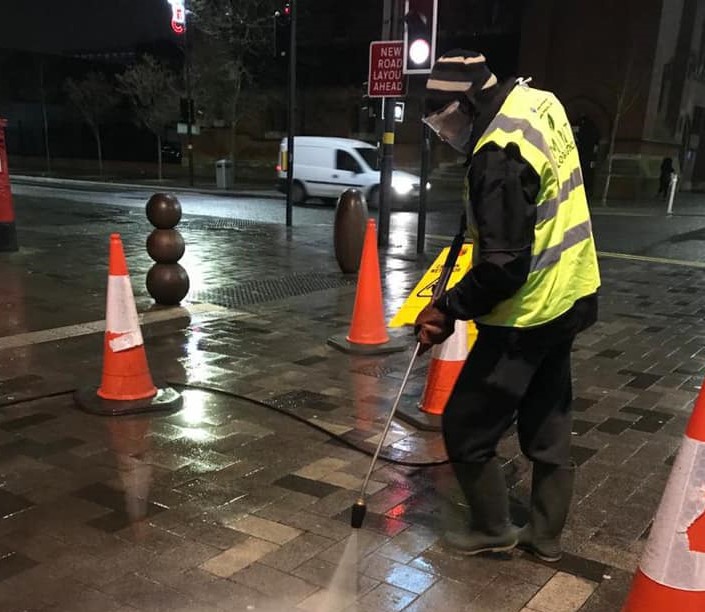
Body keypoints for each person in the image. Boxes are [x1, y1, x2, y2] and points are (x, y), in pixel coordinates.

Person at [414, 50, 601, 562]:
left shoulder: (497, 154)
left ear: (470, 103)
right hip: (571, 294)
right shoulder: (538, 102)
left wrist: (448, 308)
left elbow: (503, 268)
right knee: (547, 419)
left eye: (445, 118)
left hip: (527, 312)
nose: (445, 132)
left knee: (466, 428)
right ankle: (545, 537)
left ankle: (494, 528)